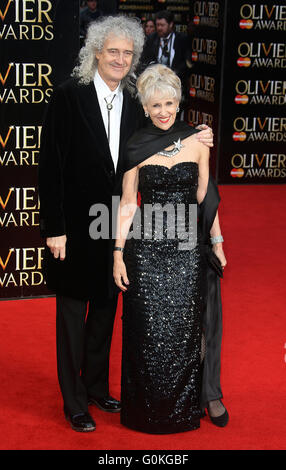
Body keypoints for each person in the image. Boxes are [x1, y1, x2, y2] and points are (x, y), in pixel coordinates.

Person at [39, 15, 214, 433]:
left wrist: (199, 134)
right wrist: (54, 227)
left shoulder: (137, 101)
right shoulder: (68, 96)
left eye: (127, 53)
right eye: (112, 51)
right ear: (96, 52)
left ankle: (97, 385)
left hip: (118, 226)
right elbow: (50, 168)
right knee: (72, 316)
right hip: (75, 226)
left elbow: (163, 136)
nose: (120, 58)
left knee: (105, 309)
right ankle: (74, 401)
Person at [113, 64, 228, 433]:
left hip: (186, 251)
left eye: (170, 103)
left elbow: (204, 197)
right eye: (156, 105)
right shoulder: (136, 146)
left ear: (179, 103)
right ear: (145, 108)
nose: (163, 111)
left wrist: (217, 241)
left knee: (184, 332)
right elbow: (129, 203)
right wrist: (117, 253)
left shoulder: (198, 141)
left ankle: (183, 409)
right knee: (147, 333)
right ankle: (144, 411)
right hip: (145, 251)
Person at [140, 10, 188, 81]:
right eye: (157, 25)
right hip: (155, 80)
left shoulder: (181, 40)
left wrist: (173, 75)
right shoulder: (151, 39)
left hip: (175, 80)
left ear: (171, 24)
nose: (159, 28)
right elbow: (145, 60)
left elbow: (185, 64)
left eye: (162, 25)